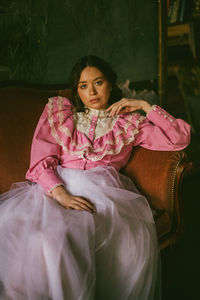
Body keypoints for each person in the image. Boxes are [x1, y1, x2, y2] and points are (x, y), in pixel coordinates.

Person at [0, 55, 190, 300]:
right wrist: (60, 194)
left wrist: (145, 106)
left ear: (111, 83)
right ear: (76, 90)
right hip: (55, 190)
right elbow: (40, 160)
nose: (91, 91)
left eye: (98, 82)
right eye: (83, 85)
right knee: (34, 236)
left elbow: (179, 139)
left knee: (63, 240)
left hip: (104, 196)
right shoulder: (61, 115)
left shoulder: (130, 124)